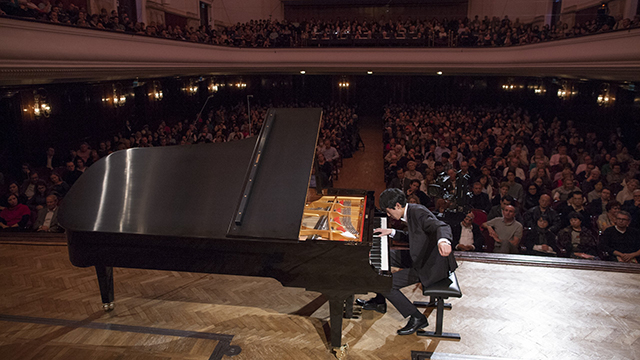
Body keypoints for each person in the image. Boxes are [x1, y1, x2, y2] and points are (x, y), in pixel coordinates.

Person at [356, 188, 456, 335]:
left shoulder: (418, 213)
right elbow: (415, 236)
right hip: (421, 256)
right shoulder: (410, 211)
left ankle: (417, 317)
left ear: (397, 205)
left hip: (431, 266)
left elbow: (441, 226)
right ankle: (379, 301)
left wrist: (443, 241)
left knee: (385, 284)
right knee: (385, 256)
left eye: (389, 212)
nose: (389, 215)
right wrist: (392, 232)